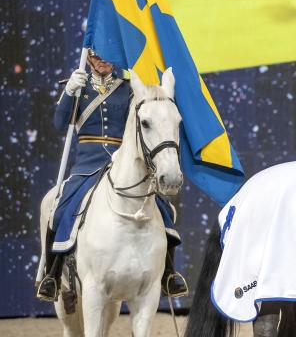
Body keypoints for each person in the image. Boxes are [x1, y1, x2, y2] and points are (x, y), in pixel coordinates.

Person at [37, 49, 187, 302]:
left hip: (123, 161)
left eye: (107, 56)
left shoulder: (128, 89)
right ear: (88, 59)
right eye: (96, 57)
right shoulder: (79, 88)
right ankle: (52, 275)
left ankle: (169, 273)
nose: (103, 61)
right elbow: (61, 124)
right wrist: (69, 92)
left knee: (164, 210)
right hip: (88, 165)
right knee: (59, 208)